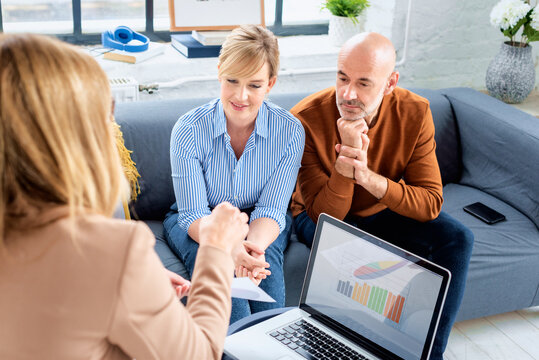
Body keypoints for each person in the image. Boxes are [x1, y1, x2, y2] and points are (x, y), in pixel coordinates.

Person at [0, 33, 250, 359]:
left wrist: (134, 283)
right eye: (107, 117)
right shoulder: (111, 253)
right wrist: (216, 248)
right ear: (71, 140)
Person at [290, 32, 474, 359]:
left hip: (378, 206)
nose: (347, 94)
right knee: (348, 244)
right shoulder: (304, 119)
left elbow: (430, 203)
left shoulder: (415, 112)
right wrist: (347, 159)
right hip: (313, 213)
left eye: (363, 83)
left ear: (390, 83)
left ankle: (427, 355)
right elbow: (325, 216)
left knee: (458, 238)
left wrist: (368, 179)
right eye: (342, 78)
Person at [163, 24, 305, 324]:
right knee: (235, 314)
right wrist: (227, 247)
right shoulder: (188, 130)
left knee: (269, 317)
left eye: (255, 85)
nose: (241, 95)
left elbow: (272, 208)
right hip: (201, 221)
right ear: (219, 72)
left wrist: (249, 250)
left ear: (270, 83)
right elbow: (192, 214)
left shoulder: (290, 131)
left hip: (259, 225)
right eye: (232, 80)